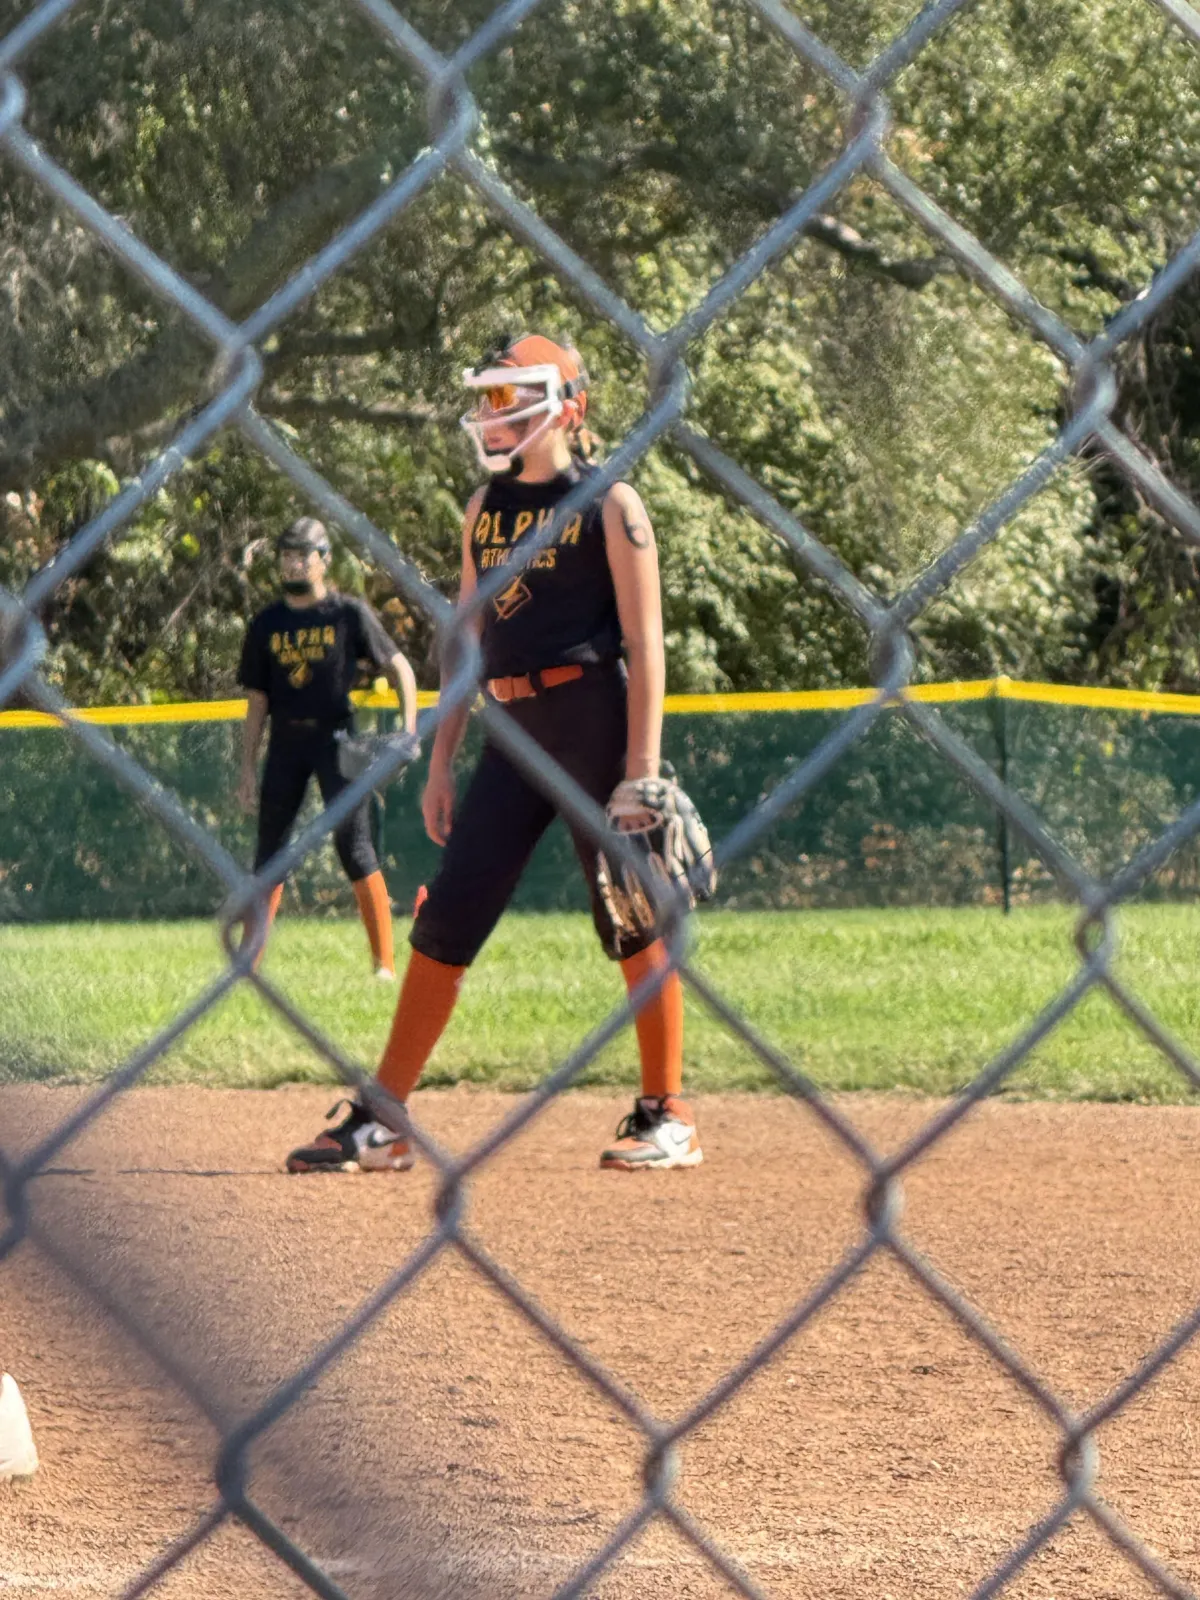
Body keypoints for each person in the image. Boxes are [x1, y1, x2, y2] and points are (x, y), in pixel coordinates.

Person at [285, 333, 701, 1175]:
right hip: (511, 734)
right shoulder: (485, 506)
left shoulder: (611, 503)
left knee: (630, 910)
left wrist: (641, 773)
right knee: (448, 914)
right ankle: (385, 1118)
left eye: (512, 397)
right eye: (490, 397)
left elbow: (645, 644)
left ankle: (668, 1114)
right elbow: (466, 644)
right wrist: (443, 758)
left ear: (568, 407)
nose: (493, 412)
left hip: (592, 721)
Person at [237, 516, 418, 978]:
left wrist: (409, 728)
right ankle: (247, 964)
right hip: (285, 741)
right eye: (286, 556)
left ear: (324, 560)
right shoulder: (267, 623)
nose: (293, 564)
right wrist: (247, 767)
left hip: (337, 738)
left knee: (353, 845)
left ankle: (383, 964)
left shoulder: (347, 614)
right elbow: (257, 702)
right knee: (269, 853)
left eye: (303, 555)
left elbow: (399, 667)